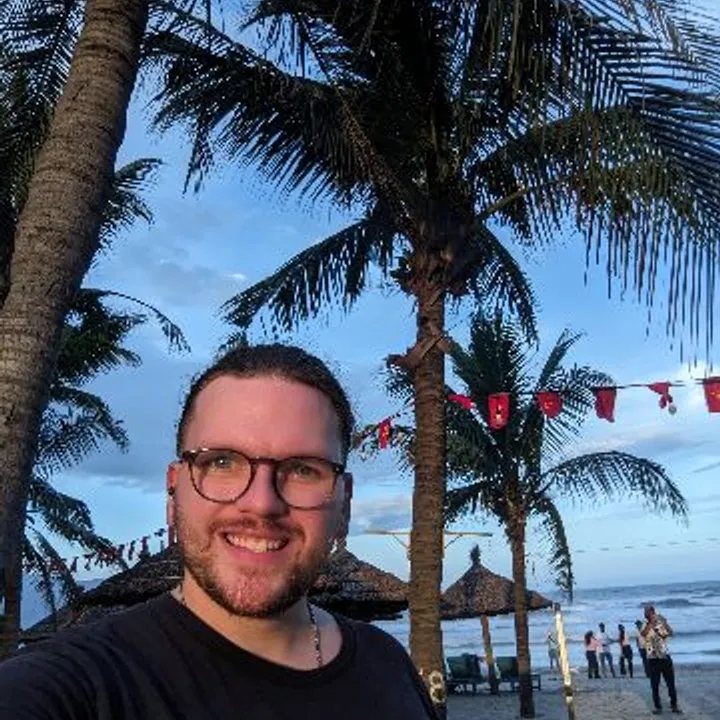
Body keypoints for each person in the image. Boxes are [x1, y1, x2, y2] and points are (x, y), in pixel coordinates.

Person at [0, 344, 439, 719]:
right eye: (222, 462)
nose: (262, 503)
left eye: (304, 469)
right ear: (173, 491)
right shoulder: (73, 687)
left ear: (344, 502)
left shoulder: (389, 665)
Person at [642, 604, 682, 715]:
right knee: (655, 685)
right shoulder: (645, 625)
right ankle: (658, 707)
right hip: (653, 658)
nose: (645, 613)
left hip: (665, 657)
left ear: (652, 612)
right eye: (645, 612)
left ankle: (674, 705)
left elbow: (670, 634)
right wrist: (652, 623)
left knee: (671, 684)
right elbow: (643, 634)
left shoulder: (660, 624)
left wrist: (665, 623)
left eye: (647, 611)